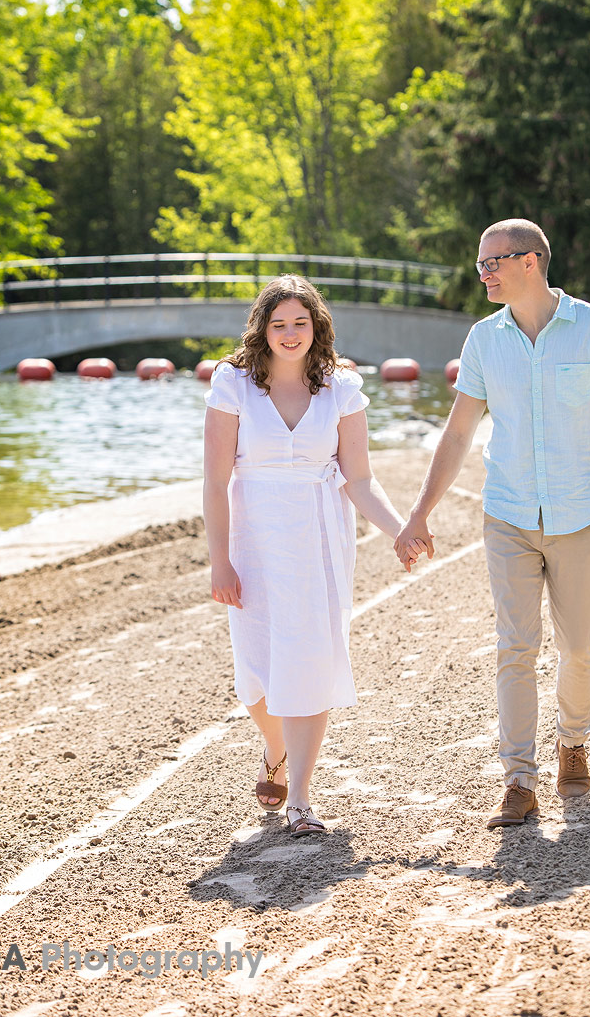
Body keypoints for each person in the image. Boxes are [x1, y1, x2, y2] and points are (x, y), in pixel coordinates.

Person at [395, 219, 590, 828]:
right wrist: (419, 512)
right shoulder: (482, 341)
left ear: (532, 261)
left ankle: (572, 743)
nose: (485, 274)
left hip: (581, 518)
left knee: (577, 647)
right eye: (481, 265)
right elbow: (459, 432)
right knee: (515, 647)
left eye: (493, 262)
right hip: (508, 516)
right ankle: (519, 779)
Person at [204, 274, 423, 837]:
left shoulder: (340, 386)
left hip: (320, 535)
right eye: (279, 323)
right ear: (263, 328)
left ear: (316, 326)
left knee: (311, 661)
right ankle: (274, 746)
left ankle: (300, 797)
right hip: (253, 537)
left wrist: (401, 531)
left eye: (301, 322)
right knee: (255, 674)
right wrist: (220, 559)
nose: (290, 333)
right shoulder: (233, 384)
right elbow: (213, 481)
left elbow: (361, 478)